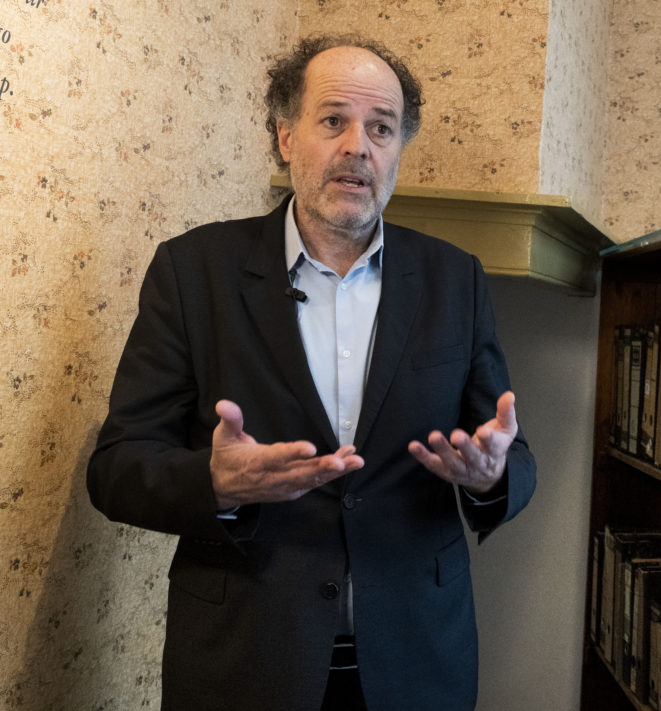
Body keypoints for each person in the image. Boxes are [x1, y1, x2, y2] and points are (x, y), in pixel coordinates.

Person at [86, 34, 535, 711]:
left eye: (381, 128)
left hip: (417, 662)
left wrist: (491, 474)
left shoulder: (456, 279)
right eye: (333, 121)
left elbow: (512, 453)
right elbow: (117, 467)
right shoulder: (193, 271)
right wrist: (216, 481)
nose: (358, 146)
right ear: (286, 136)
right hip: (244, 664)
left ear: (398, 150)